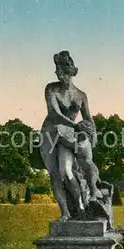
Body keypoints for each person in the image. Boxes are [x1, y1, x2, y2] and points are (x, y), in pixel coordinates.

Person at [40, 51, 99, 221]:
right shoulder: (51, 89)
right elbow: (53, 113)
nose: (57, 73)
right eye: (56, 70)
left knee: (74, 168)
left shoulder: (81, 95)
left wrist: (92, 137)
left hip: (68, 135)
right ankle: (65, 211)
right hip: (50, 134)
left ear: (69, 72)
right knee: (56, 174)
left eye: (59, 70)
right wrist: (77, 125)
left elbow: (88, 118)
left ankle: (84, 201)